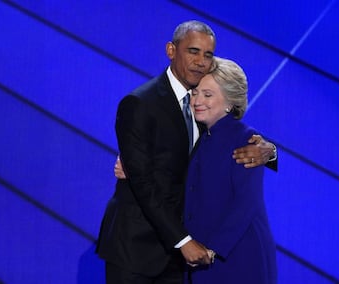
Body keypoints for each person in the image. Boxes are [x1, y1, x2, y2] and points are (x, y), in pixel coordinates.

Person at [96, 20, 277, 284]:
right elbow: (144, 181)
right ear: (171, 50)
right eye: (193, 51)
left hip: (186, 257)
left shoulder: (207, 114)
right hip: (138, 250)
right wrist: (183, 241)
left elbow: (234, 145)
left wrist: (270, 151)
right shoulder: (139, 103)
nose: (201, 61)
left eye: (208, 54)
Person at [183, 57, 277, 284]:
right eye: (195, 92)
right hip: (200, 258)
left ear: (229, 103)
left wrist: (213, 249)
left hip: (236, 259)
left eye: (208, 95)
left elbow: (247, 203)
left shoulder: (245, 139)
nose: (197, 100)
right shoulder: (200, 134)